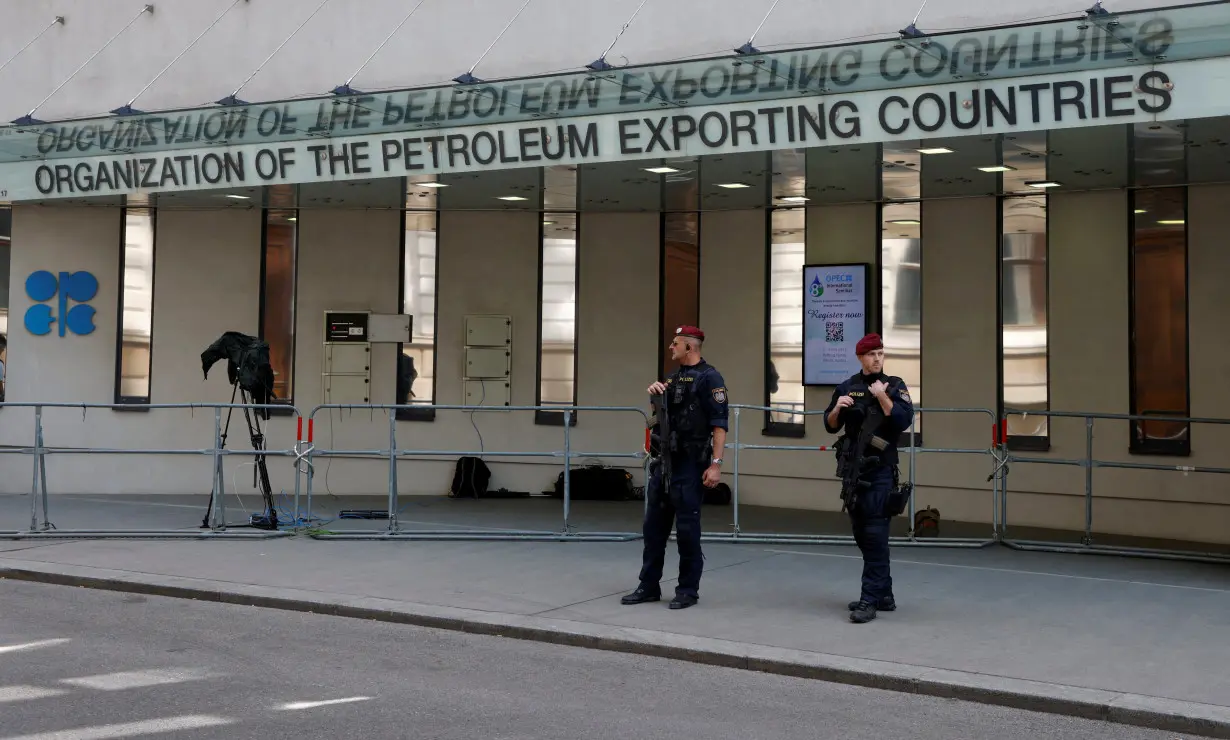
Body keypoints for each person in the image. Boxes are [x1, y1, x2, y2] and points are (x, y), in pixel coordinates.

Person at [622, 325, 728, 610]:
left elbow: (719, 426)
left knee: (687, 531)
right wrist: (655, 396)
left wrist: (715, 465)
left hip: (691, 465)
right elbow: (661, 419)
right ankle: (648, 585)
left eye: (675, 343)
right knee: (653, 528)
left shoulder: (710, 378)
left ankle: (687, 591)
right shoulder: (672, 378)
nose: (671, 347)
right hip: (664, 463)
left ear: (689, 348)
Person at [824, 333, 914, 624]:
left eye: (880, 353)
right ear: (860, 357)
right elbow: (829, 425)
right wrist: (838, 408)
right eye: (871, 354)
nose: (877, 358)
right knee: (863, 535)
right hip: (853, 472)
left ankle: (868, 600)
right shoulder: (847, 386)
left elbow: (903, 420)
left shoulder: (894, 385)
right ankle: (883, 595)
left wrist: (881, 395)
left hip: (881, 472)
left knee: (875, 535)